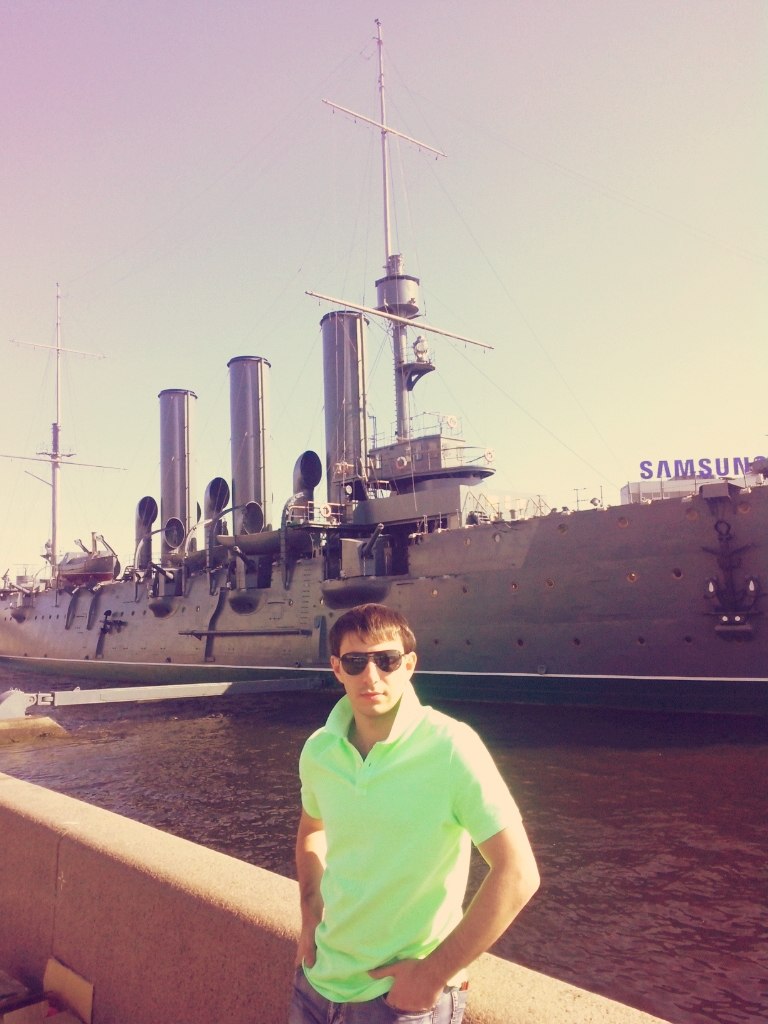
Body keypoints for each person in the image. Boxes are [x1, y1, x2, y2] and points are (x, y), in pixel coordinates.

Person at [288, 603, 539, 1024]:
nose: (371, 676)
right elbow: (313, 827)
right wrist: (310, 913)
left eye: (386, 660)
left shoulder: (451, 746)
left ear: (409, 665)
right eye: (355, 662)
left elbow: (518, 873)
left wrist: (431, 976)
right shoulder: (319, 750)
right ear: (336, 668)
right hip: (316, 984)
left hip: (397, 1004)